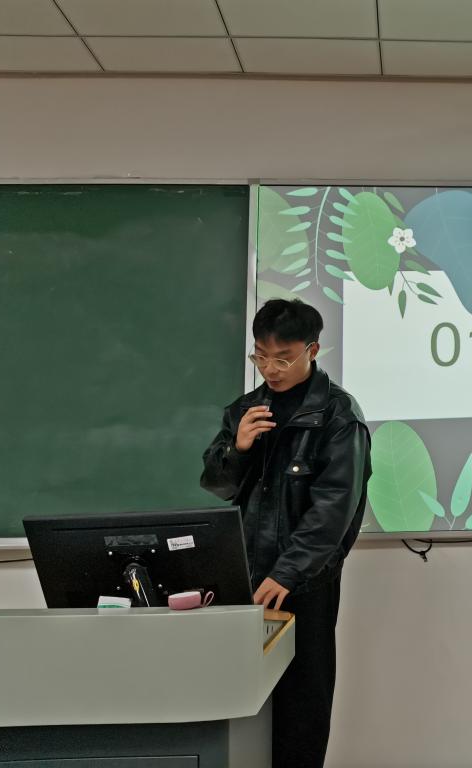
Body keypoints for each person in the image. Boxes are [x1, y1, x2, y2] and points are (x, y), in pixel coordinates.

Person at [201, 298, 371, 768]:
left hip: (303, 585)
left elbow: (334, 510)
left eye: (283, 358)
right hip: (244, 581)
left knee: (301, 709)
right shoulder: (245, 410)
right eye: (261, 356)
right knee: (239, 707)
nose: (270, 369)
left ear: (312, 350)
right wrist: (237, 449)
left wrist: (288, 573)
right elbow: (217, 485)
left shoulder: (338, 416)